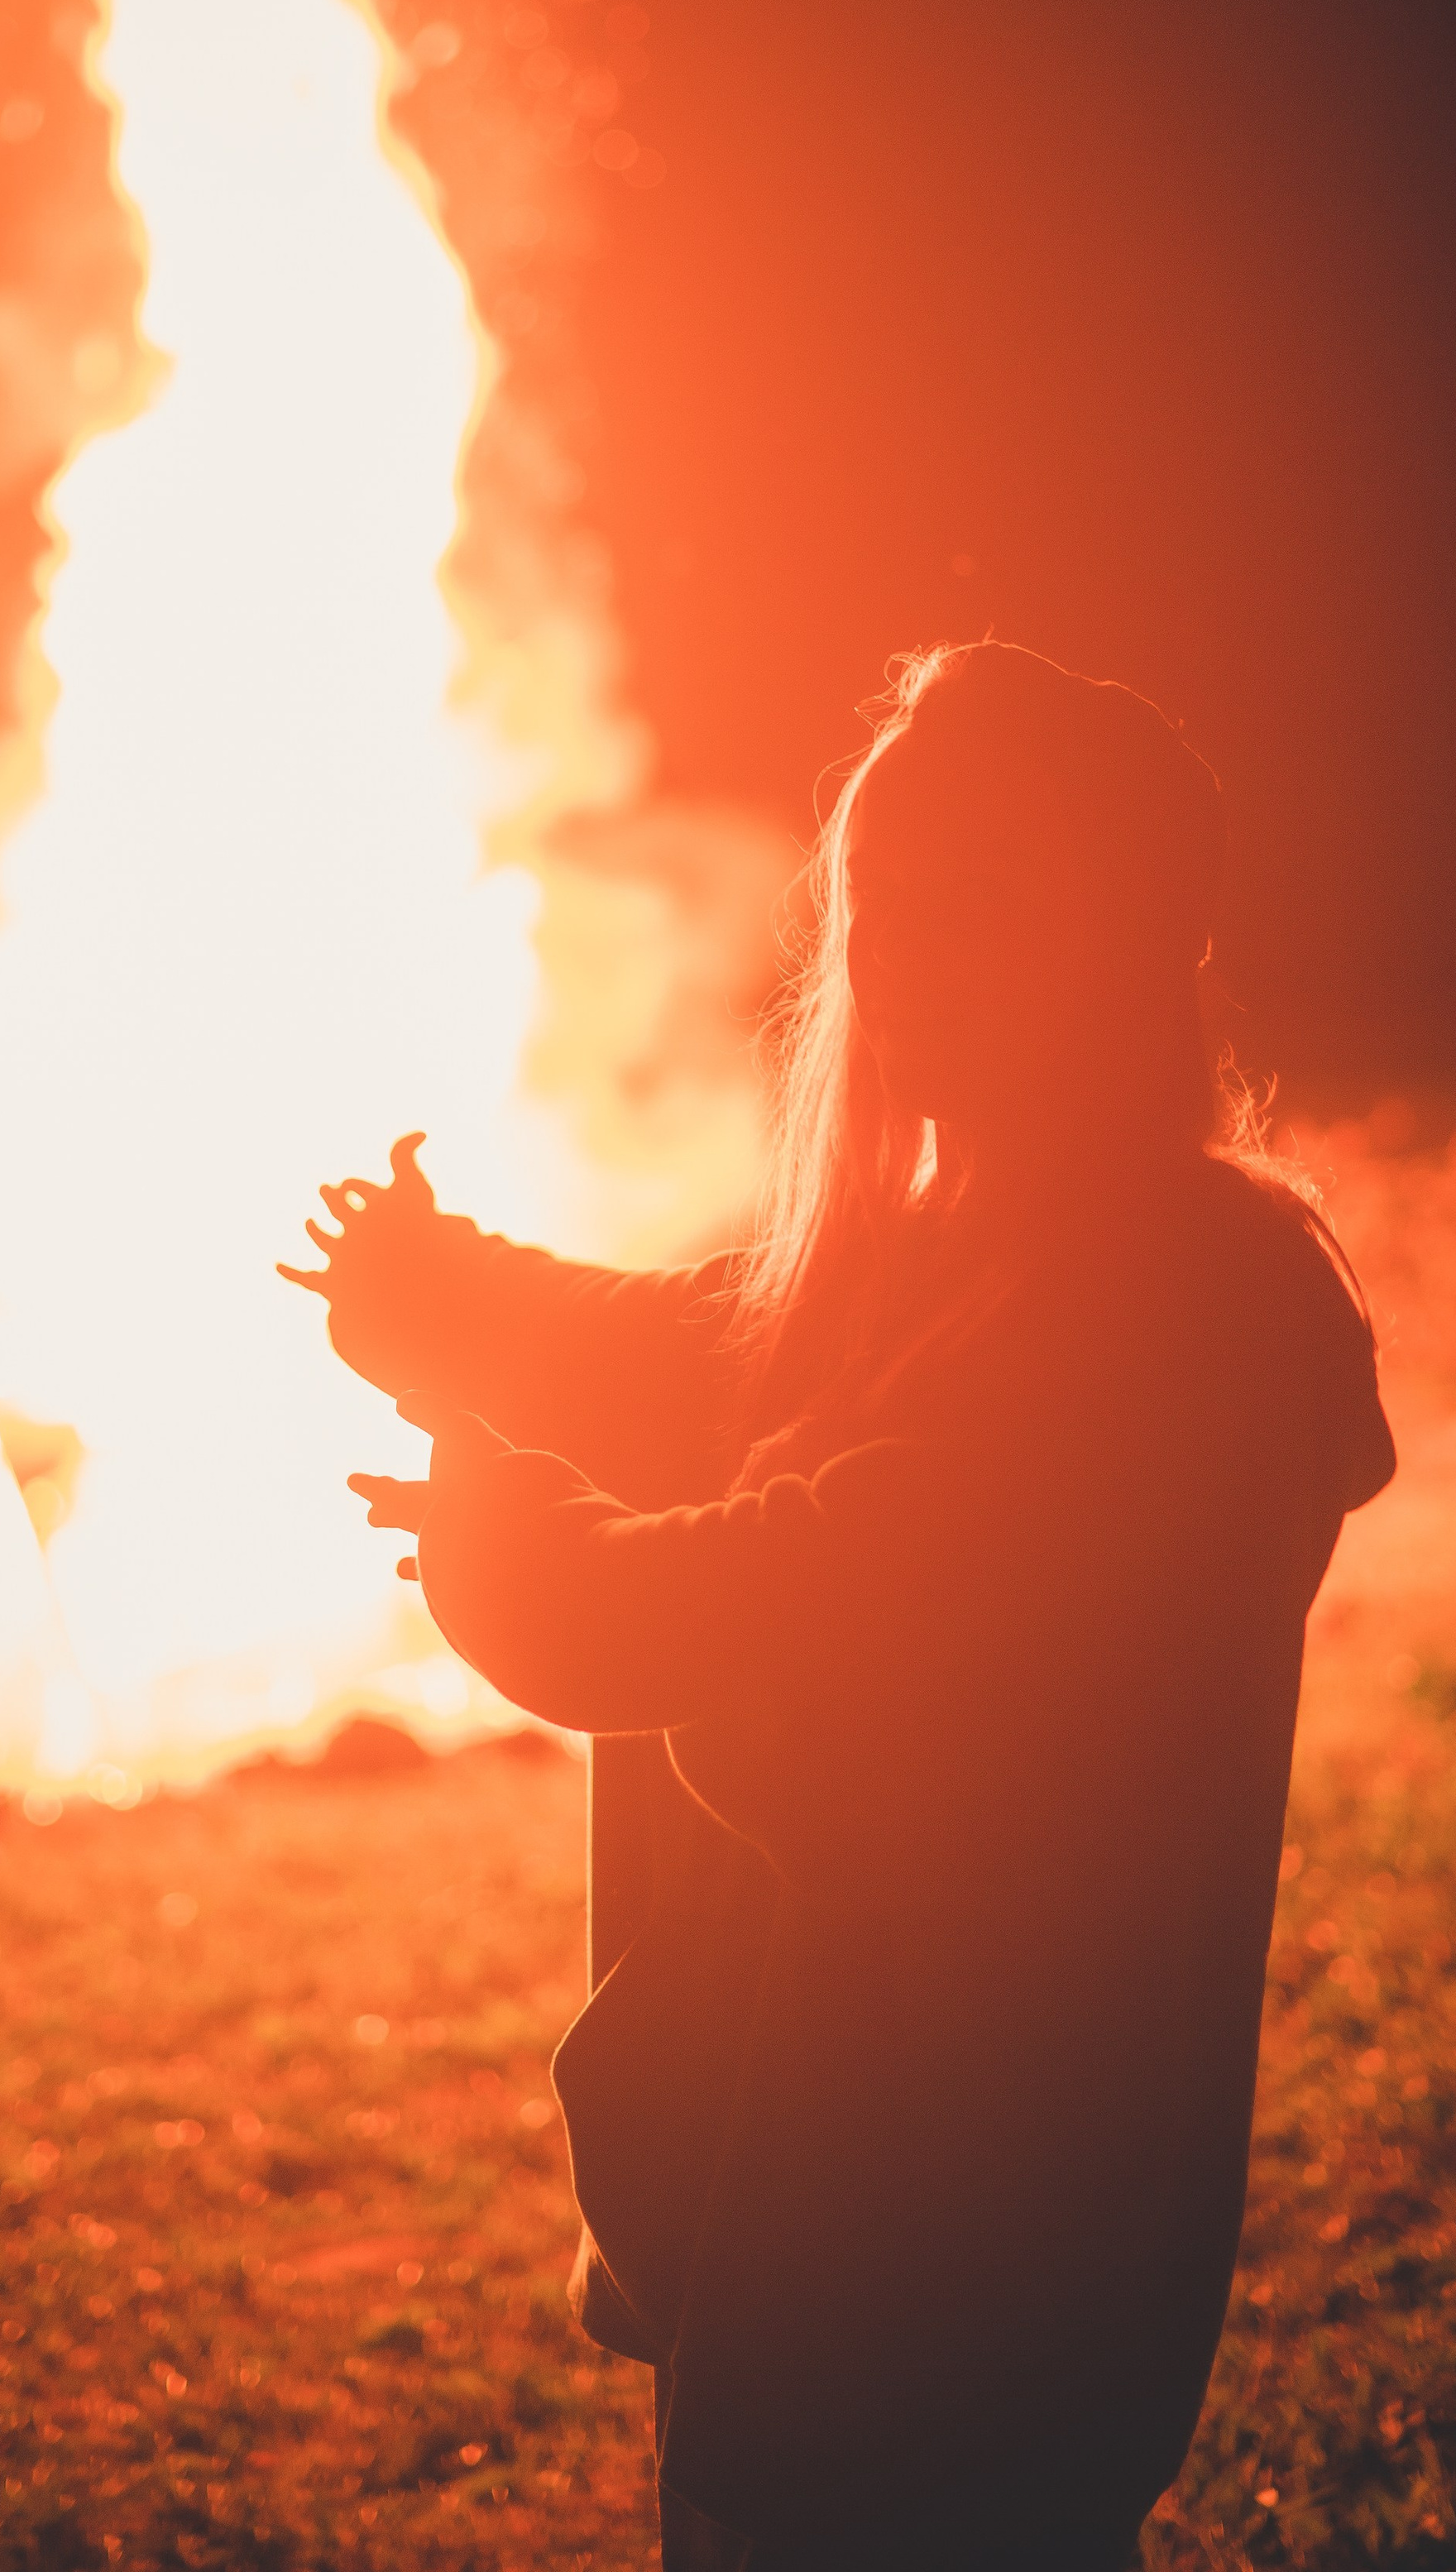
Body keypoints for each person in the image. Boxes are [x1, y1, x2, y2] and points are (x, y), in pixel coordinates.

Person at [280, 638, 1395, 2570]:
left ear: (1128, 935)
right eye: (889, 898)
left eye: (989, 895)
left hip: (951, 2251)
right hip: (792, 2217)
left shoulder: (1167, 1317)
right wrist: (439, 1293)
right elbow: (691, 1354)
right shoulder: (944, 1260)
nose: (913, 950)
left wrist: (497, 1528)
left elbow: (763, 1598)